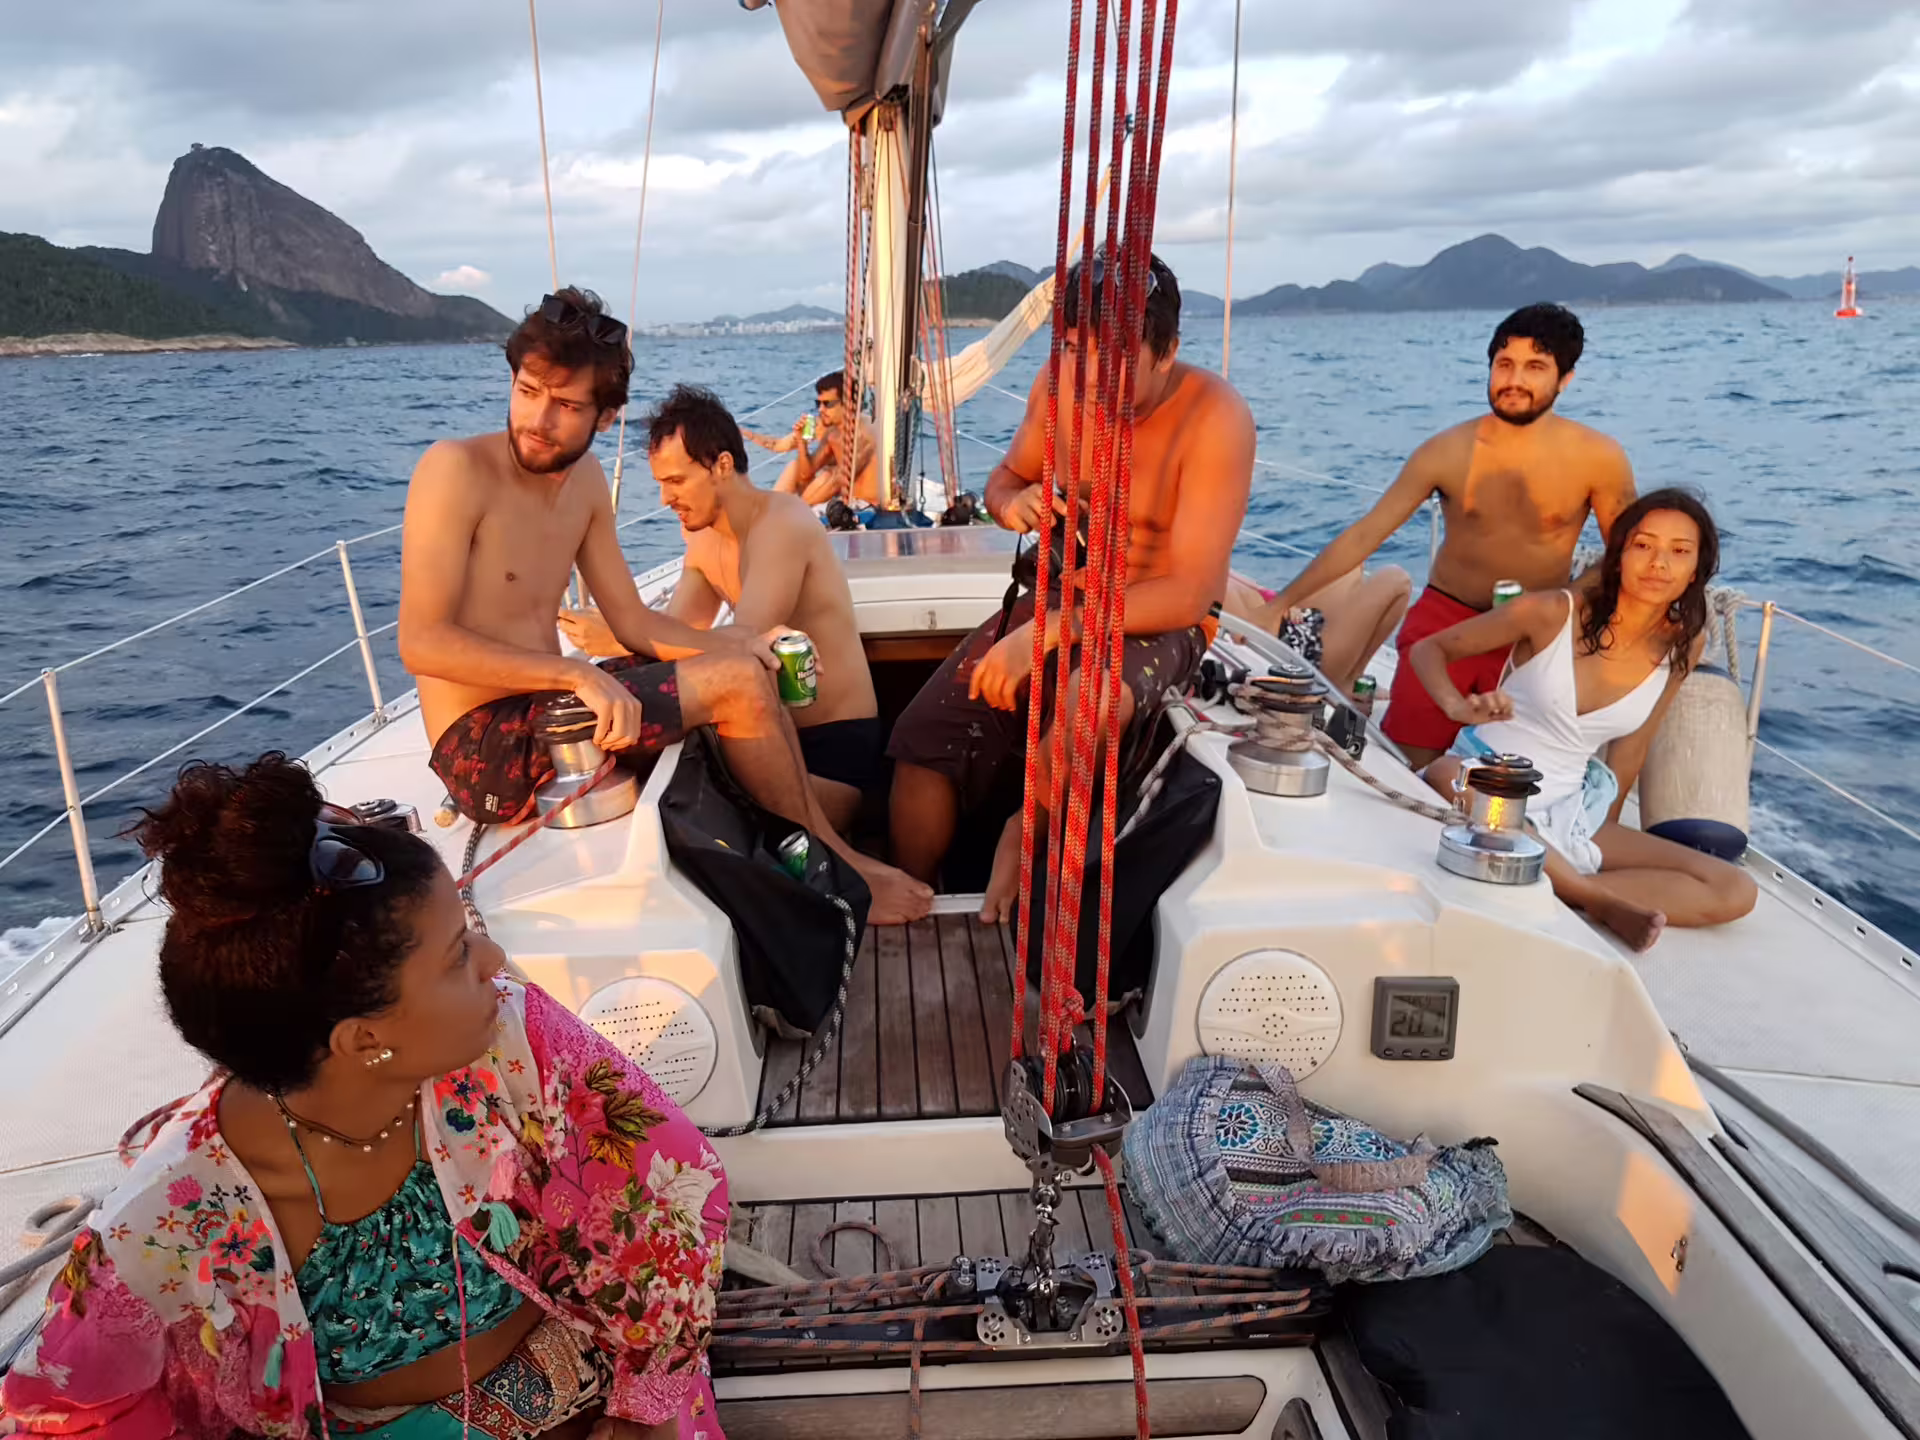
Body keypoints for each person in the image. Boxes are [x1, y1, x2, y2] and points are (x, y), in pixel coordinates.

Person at [0, 753, 728, 1439]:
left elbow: (675, 1188)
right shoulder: (165, 1219)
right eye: (455, 956)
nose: (494, 960)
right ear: (360, 1041)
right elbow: (63, 1409)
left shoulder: (509, 1030)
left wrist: (648, 1407)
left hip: (591, 1393)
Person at [398, 287, 929, 924]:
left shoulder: (587, 484)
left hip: (549, 708)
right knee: (731, 686)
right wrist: (576, 673)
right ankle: (836, 869)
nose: (537, 420)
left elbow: (634, 621)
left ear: (604, 416)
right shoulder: (454, 470)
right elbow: (421, 642)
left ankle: (815, 863)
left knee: (745, 673)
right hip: (480, 748)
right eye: (526, 390)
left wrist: (742, 644)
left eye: (565, 405)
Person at [888, 252, 1254, 920]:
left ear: (1166, 351)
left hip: (1160, 617)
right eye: (1074, 349)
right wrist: (1014, 502)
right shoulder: (1059, 388)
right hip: (1064, 595)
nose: (1087, 373)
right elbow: (1003, 479)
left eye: (1112, 356)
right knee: (923, 739)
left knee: (1089, 700)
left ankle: (1021, 837)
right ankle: (922, 904)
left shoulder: (1216, 420)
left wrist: (1049, 631)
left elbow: (1192, 593)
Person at [1247, 303, 1638, 769]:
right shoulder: (1446, 451)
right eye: (1504, 364)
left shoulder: (1598, 458)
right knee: (1409, 766)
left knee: (1505, 774)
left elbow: (1626, 554)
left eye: (1535, 367)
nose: (1515, 379)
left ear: (1565, 378)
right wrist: (1279, 603)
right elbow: (1366, 534)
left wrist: (1566, 607)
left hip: (1530, 636)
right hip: (1444, 623)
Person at [1411, 489, 1757, 951]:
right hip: (1486, 780)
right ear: (1619, 556)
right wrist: (1457, 707)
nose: (1659, 563)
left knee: (1735, 889)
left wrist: (1600, 841)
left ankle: (1558, 885)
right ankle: (1593, 898)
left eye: (1679, 551)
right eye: (1643, 545)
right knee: (1447, 774)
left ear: (1697, 568)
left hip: (1573, 807)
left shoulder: (1683, 643)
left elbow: (1635, 744)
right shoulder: (1551, 612)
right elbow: (1429, 649)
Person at [558, 384, 884, 834]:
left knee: (696, 813)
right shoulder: (702, 537)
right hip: (771, 736)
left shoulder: (783, 524)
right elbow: (681, 630)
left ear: (723, 465)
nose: (663, 499)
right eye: (660, 484)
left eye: (675, 481)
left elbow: (746, 645)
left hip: (835, 757)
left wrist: (612, 635)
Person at [1223, 564, 1412, 695]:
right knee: (1396, 579)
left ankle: (1353, 674)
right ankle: (1349, 679)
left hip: (1296, 622)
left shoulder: (1220, 567)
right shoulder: (1213, 581)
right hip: (1304, 655)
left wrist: (1281, 606)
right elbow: (1244, 637)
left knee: (1350, 564)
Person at [743, 370, 880, 508]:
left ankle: (772, 514)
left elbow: (836, 481)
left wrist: (792, 511)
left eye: (827, 404)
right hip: (845, 500)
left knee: (826, 477)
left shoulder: (863, 435)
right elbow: (805, 474)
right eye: (818, 403)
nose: (821, 410)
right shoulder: (832, 433)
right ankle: (769, 511)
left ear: (848, 403)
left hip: (868, 508)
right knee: (795, 467)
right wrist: (802, 443)